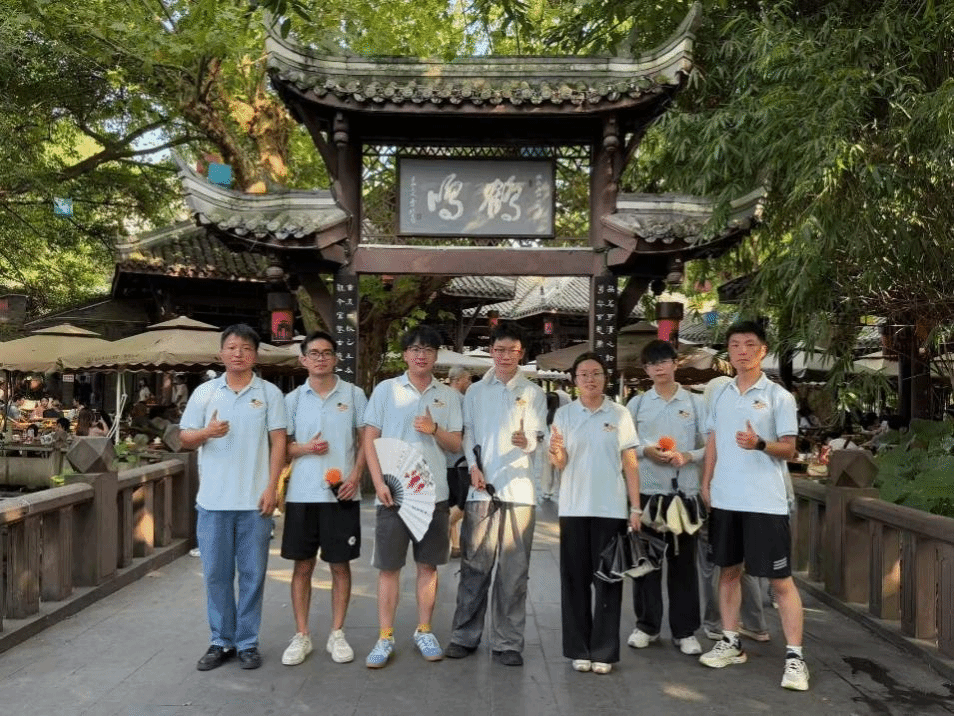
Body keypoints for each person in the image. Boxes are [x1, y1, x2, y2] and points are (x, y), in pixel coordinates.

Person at [699, 320, 809, 691]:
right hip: (726, 499)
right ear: (728, 351)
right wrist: (706, 482)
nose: (742, 351)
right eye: (735, 344)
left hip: (765, 502)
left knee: (779, 580)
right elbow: (713, 441)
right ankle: (731, 641)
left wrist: (760, 443)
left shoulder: (779, 396)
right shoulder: (721, 395)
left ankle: (795, 658)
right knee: (728, 572)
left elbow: (790, 449)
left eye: (749, 344)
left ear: (763, 350)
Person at [180, 324, 287, 672]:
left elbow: (279, 443)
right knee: (216, 575)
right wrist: (207, 432)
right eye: (232, 347)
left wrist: (272, 488)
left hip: (255, 504)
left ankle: (247, 642)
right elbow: (184, 438)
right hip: (213, 503)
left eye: (245, 348)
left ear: (255, 355)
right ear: (221, 353)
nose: (238, 353)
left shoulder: (269, 393)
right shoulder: (205, 393)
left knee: (253, 575)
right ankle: (221, 640)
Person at [445, 323, 546, 667]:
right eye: (499, 350)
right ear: (491, 352)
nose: (504, 356)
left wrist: (526, 442)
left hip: (520, 491)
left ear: (521, 353)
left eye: (512, 350)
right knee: (475, 566)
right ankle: (464, 635)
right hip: (481, 490)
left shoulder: (533, 392)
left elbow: (537, 437)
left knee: (514, 572)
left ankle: (508, 642)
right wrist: (473, 467)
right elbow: (469, 433)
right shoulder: (475, 392)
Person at [363, 325, 463, 668]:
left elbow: (456, 444)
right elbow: (370, 439)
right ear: (405, 354)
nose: (422, 355)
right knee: (389, 568)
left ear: (437, 355)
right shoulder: (386, 390)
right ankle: (385, 636)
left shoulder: (449, 396)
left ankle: (424, 630)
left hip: (433, 494)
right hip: (394, 494)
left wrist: (434, 429)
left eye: (429, 349)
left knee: (428, 566)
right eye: (415, 349)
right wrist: (378, 482)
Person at [548, 352, 641, 675]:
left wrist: (635, 507)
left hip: (610, 509)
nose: (590, 379)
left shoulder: (619, 414)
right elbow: (560, 463)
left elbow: (630, 463)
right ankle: (579, 649)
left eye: (596, 373)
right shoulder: (564, 415)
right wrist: (556, 452)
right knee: (574, 582)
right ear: (575, 380)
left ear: (605, 378)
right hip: (574, 508)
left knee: (608, 581)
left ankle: (603, 651)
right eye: (584, 374)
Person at [280, 331, 367, 667]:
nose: (320, 358)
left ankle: (337, 632)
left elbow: (366, 440)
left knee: (340, 565)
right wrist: (305, 448)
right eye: (313, 353)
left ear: (335, 358)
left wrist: (356, 476)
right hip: (302, 494)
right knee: (302, 566)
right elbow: (281, 448)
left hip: (342, 493)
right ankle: (301, 634)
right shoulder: (292, 400)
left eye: (326, 353)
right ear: (303, 359)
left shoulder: (354, 395)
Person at [625, 339, 705, 656]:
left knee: (684, 565)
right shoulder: (637, 404)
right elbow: (626, 448)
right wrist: (646, 451)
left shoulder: (695, 403)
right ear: (645, 370)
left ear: (675, 363)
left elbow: (709, 446)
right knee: (646, 564)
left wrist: (688, 456)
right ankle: (647, 626)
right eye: (651, 364)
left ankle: (685, 631)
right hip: (648, 494)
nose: (658, 368)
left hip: (684, 495)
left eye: (663, 361)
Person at [697, 376, 771, 645]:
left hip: (719, 500)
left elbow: (708, 454)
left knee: (714, 566)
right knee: (742, 565)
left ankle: (716, 623)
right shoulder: (748, 422)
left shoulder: (714, 420)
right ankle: (755, 623)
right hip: (747, 501)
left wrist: (703, 482)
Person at [445, 365, 472, 559]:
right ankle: (441, 528)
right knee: (463, 504)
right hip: (460, 460)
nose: (469, 383)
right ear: (460, 379)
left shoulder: (441, 397)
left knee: (451, 503)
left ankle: (455, 546)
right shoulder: (462, 400)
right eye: (468, 379)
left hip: (443, 459)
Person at [537, 391, 562, 502]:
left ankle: (547, 491)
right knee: (561, 469)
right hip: (560, 444)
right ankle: (563, 490)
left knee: (547, 469)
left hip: (547, 444)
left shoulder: (542, 414)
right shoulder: (561, 414)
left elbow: (539, 430)